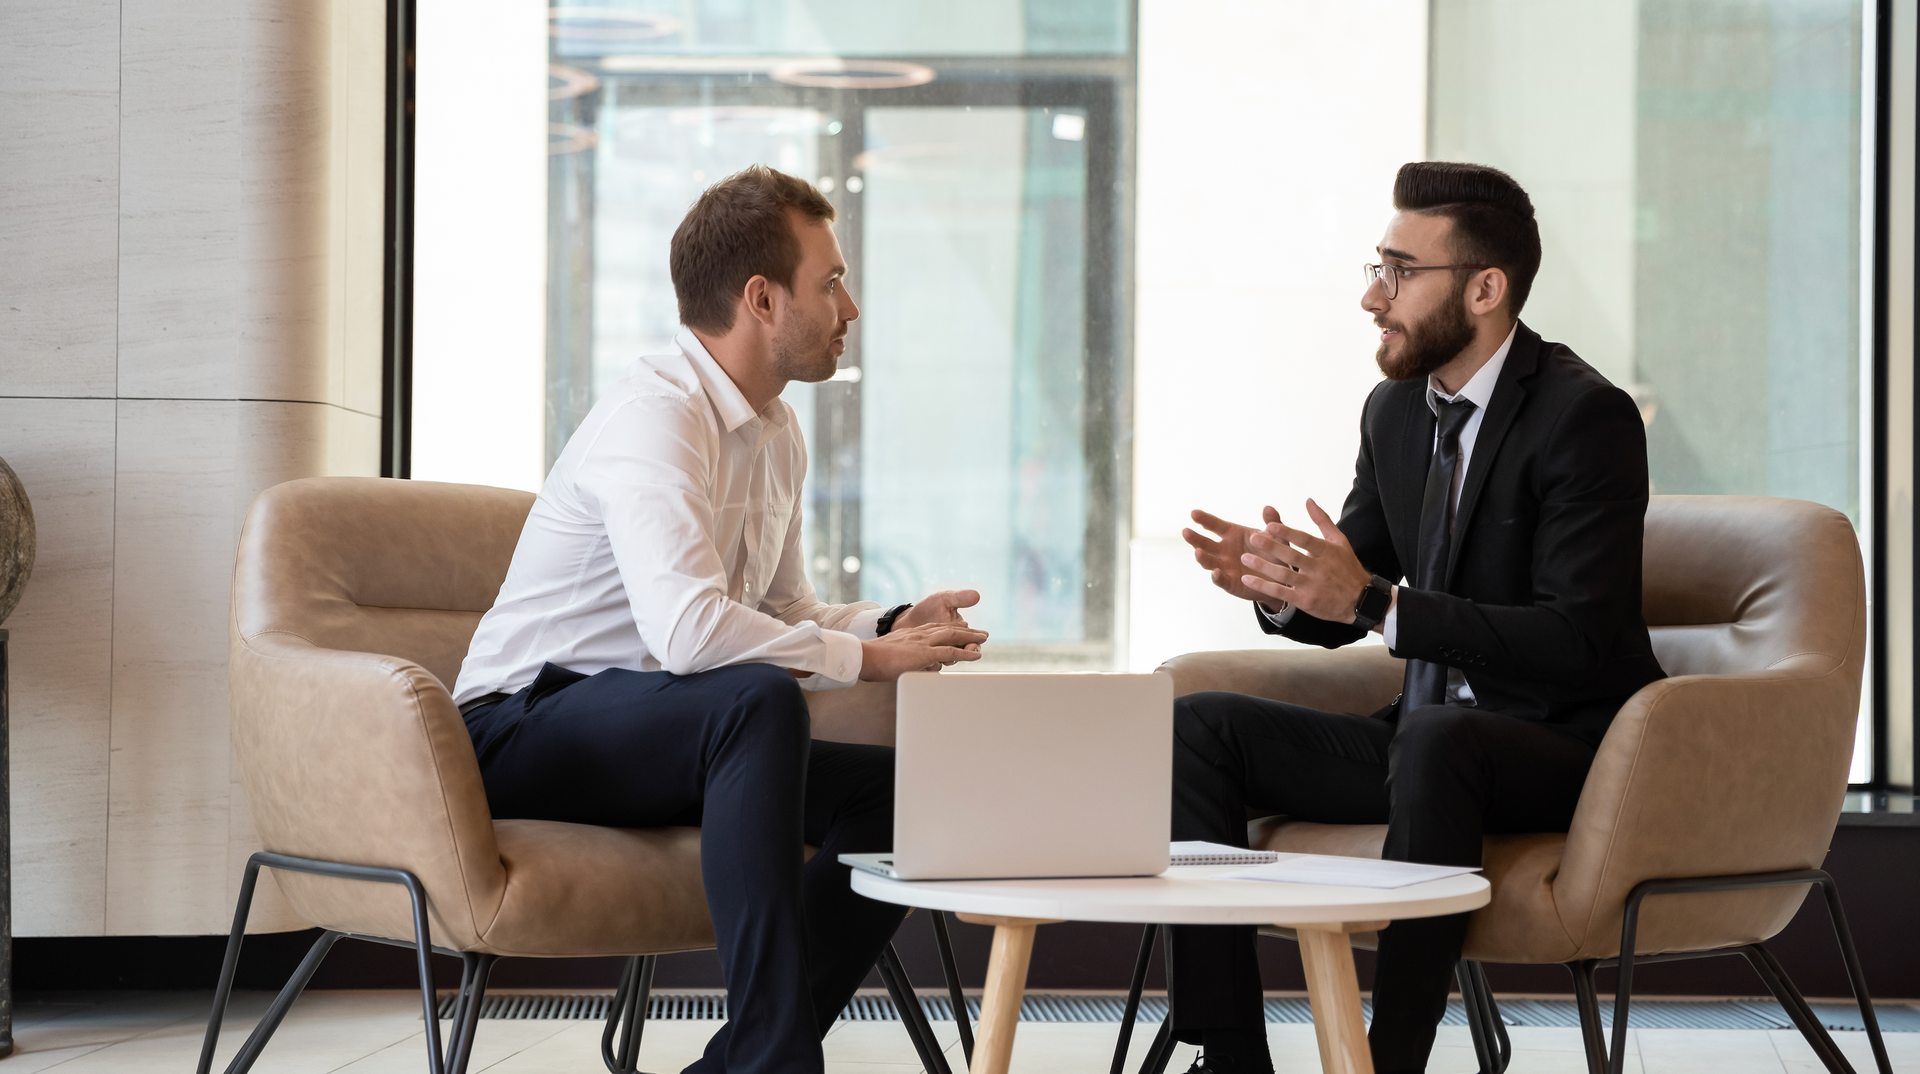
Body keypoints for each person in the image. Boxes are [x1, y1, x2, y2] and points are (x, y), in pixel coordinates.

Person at [451, 165, 989, 1074]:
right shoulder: (656, 416)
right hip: (519, 728)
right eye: (831, 282)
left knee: (911, 797)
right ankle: (776, 1062)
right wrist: (868, 661)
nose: (850, 306)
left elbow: (783, 613)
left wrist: (894, 624)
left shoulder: (776, 429)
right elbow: (692, 635)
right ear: (762, 298)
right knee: (756, 700)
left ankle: (743, 1057)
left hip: (663, 729)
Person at [1170, 162, 1666, 1074]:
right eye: (1376, 266)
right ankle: (1230, 1052)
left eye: (1400, 271)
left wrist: (1369, 601)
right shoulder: (1397, 410)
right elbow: (1353, 589)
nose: (1371, 296)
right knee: (1196, 727)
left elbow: (1577, 641)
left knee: (1439, 738)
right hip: (1426, 741)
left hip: (1561, 746)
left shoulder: (1584, 417)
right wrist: (1280, 586)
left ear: (1485, 288)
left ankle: (1386, 1059)